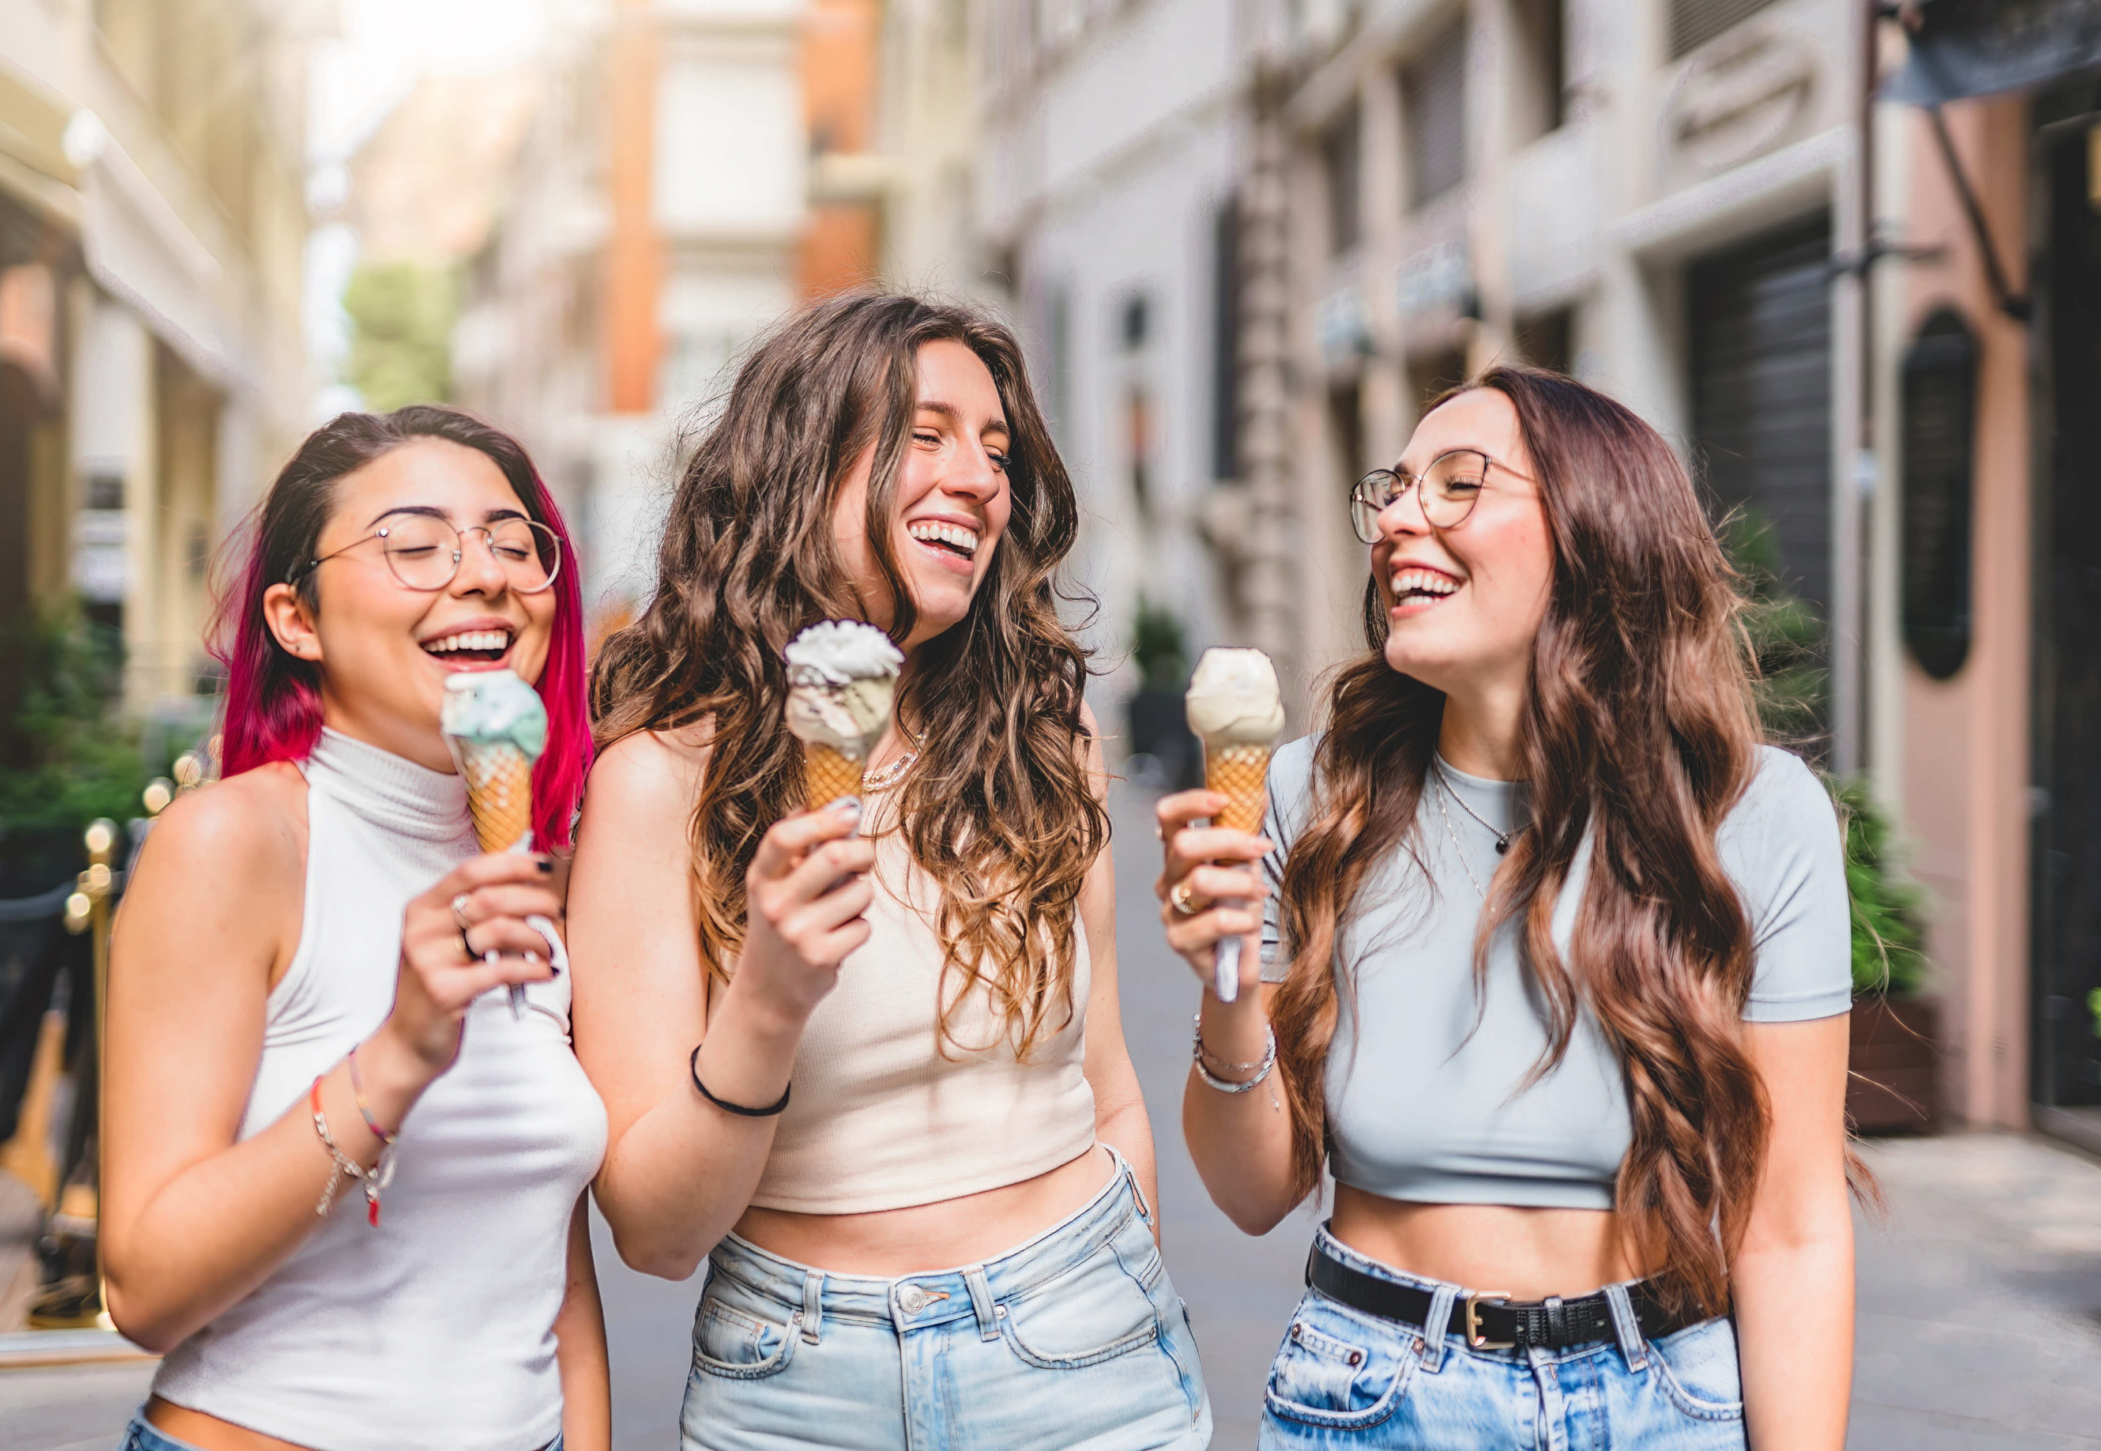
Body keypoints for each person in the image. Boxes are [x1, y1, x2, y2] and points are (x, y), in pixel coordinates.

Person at [1158, 368, 1854, 1449]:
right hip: (1376, 1394)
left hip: (1665, 1400)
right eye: (1392, 490)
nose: (1395, 518)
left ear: (1594, 532)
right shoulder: (1311, 795)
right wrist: (1227, 987)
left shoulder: (1754, 816)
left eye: (1456, 485)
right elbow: (1253, 1194)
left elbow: (1793, 1227)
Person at [572, 291, 1209, 1450]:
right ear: (799, 467)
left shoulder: (1042, 739)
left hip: (1080, 1346)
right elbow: (654, 1236)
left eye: (997, 450)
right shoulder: (658, 784)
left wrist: (1115, 1278)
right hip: (794, 1382)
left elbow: (1109, 1082)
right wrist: (765, 1001)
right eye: (926, 434)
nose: (977, 477)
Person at [101, 406, 609, 1451]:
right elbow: (142, 1288)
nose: (484, 575)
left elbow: (551, 1283)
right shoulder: (232, 846)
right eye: (415, 546)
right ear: (297, 619)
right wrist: (392, 1061)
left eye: (514, 544)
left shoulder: (544, 862)